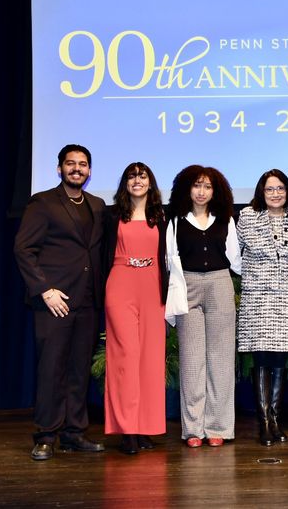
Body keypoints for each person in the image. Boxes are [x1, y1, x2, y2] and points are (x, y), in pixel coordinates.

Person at [14, 144, 106, 460]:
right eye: (70, 164)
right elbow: (23, 249)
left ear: (90, 171)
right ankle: (46, 435)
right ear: (59, 169)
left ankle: (73, 433)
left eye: (82, 164)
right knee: (51, 369)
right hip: (55, 301)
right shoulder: (43, 203)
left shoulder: (97, 204)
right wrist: (45, 290)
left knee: (79, 370)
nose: (76, 169)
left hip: (88, 301)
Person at [165, 165, 241, 448]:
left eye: (207, 186)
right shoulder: (174, 221)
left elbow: (236, 261)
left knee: (221, 360)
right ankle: (193, 429)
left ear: (215, 191)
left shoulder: (225, 220)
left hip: (220, 284)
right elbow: (169, 260)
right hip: (187, 286)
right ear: (187, 188)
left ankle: (218, 426)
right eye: (197, 185)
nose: (201, 191)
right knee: (192, 360)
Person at [237, 169, 288, 446]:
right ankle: (264, 422)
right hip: (257, 297)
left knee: (279, 360)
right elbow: (236, 252)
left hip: (287, 296)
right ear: (261, 192)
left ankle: (276, 418)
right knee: (261, 359)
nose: (276, 194)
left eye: (280, 188)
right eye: (270, 189)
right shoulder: (247, 217)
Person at [103, 162, 168, 455]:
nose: (137, 180)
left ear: (151, 183)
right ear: (125, 183)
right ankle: (126, 429)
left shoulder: (161, 217)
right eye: (132, 176)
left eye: (142, 176)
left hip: (153, 287)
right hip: (121, 284)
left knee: (151, 360)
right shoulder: (112, 215)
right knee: (125, 356)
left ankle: (145, 427)